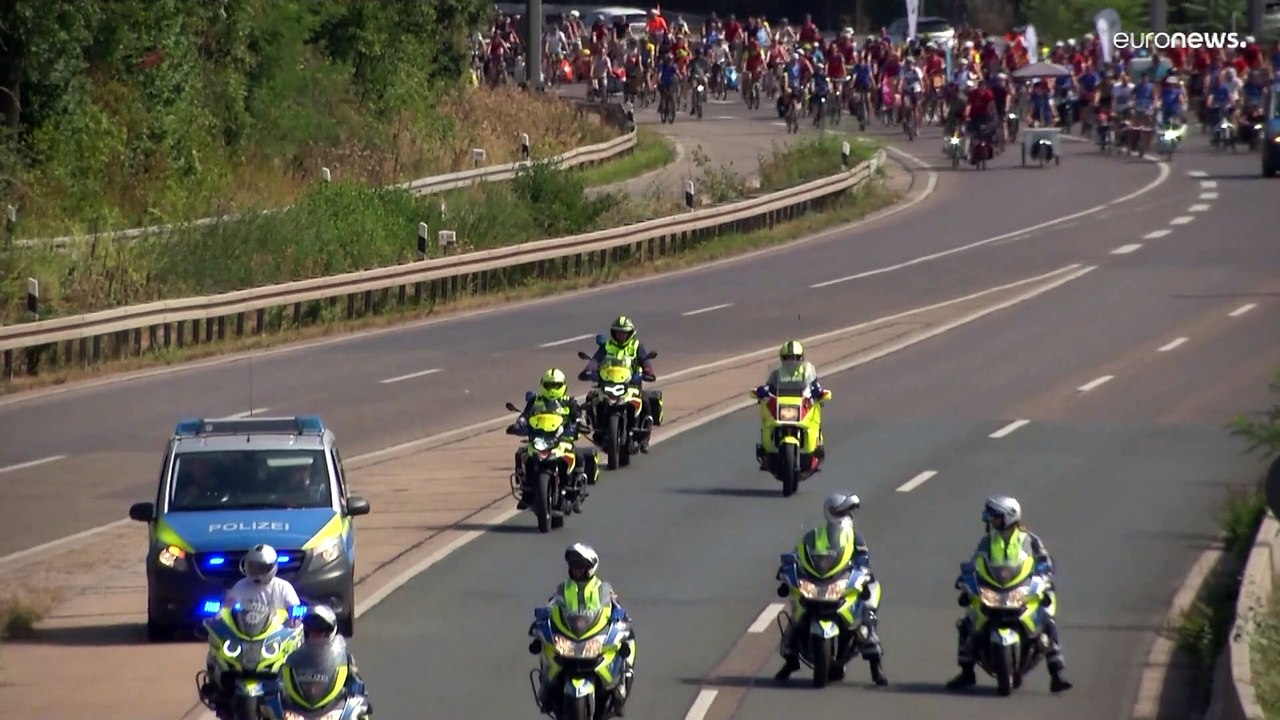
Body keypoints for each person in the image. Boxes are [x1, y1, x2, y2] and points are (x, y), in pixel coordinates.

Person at [946, 495, 1074, 693]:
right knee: (967, 624)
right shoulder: (987, 541)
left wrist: (1045, 572)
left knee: (1047, 622)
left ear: (1009, 516)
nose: (991, 520)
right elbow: (976, 561)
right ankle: (967, 672)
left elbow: (1044, 559)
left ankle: (1056, 674)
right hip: (995, 588)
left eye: (995, 516)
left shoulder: (1029, 539)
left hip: (1020, 589)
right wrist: (966, 577)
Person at [775, 493, 887, 685]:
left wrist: (863, 573)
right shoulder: (815, 535)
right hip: (819, 582)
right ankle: (790, 661)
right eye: (842, 511)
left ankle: (876, 669)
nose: (846, 514)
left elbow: (864, 558)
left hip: (844, 584)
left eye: (847, 511)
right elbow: (800, 552)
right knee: (795, 620)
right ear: (831, 512)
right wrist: (787, 568)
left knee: (866, 620)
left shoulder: (854, 537)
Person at [531, 544, 635, 713]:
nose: (577, 570)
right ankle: (547, 689)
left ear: (591, 568)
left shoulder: (603, 588)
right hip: (570, 636)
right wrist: (541, 617)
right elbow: (552, 604)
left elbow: (614, 603)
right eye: (574, 567)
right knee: (545, 646)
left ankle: (621, 686)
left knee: (628, 638)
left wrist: (620, 614)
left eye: (581, 567)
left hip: (593, 635)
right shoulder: (564, 588)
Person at [510, 368, 599, 511]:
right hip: (539, 439)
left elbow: (578, 416)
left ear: (563, 385)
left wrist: (580, 424)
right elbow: (525, 416)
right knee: (521, 454)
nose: (552, 389)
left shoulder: (569, 402)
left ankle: (575, 494)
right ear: (542, 385)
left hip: (562, 440)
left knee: (578, 457)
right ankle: (525, 492)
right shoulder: (535, 400)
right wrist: (519, 424)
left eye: (556, 386)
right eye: (549, 385)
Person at [578, 315, 657, 448]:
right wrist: (589, 370)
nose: (620, 335)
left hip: (631, 383)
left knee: (645, 400)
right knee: (591, 398)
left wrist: (647, 371)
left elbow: (644, 360)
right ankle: (595, 427)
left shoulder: (636, 346)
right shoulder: (607, 346)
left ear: (629, 333)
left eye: (623, 333)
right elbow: (596, 360)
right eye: (618, 332)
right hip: (607, 382)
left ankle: (644, 436)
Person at [279, 605, 371, 711]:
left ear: (329, 633)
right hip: (300, 706)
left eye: (321, 633)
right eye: (313, 632)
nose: (316, 636)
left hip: (332, 706)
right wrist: (279, 688)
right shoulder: (297, 649)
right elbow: (283, 676)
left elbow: (355, 680)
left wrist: (355, 691)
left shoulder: (341, 654)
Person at [754, 340, 825, 468]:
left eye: (794, 358)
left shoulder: (806, 372)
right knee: (767, 419)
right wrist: (762, 391)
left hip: (800, 404)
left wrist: (819, 392)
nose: (791, 361)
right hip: (782, 404)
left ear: (800, 358)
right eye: (787, 358)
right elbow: (768, 386)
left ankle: (816, 448)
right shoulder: (776, 374)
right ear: (782, 359)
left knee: (815, 413)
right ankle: (767, 452)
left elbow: (815, 385)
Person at [223, 543, 301, 623]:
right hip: (244, 631)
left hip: (277, 632)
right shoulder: (240, 586)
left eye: (262, 568)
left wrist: (294, 616)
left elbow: (294, 609)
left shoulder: (283, 587)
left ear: (272, 567)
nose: (257, 573)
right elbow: (226, 610)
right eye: (253, 568)